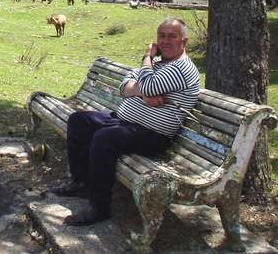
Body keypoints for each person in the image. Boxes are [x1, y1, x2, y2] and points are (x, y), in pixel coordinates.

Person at [50, 18, 200, 226]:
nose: (165, 41)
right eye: (161, 36)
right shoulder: (159, 64)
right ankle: (81, 182)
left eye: (172, 36)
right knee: (79, 120)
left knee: (104, 139)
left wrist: (147, 58)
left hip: (152, 135)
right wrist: (143, 92)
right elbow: (125, 83)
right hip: (125, 123)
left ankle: (99, 207)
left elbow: (145, 84)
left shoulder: (180, 68)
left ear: (184, 41)